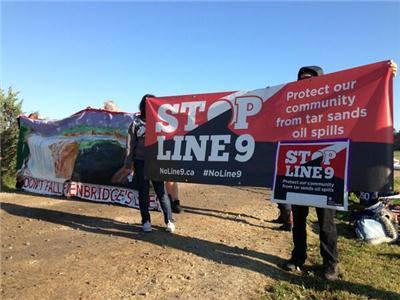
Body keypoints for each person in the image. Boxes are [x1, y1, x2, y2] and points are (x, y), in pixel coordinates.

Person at [284, 61, 397, 281]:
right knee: (298, 220)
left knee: (326, 223)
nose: (305, 85)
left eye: (311, 80)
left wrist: (386, 74)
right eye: (301, 81)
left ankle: (330, 264)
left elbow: (364, 93)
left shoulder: (337, 104)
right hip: (298, 173)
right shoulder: (292, 107)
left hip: (327, 174)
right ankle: (297, 257)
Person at [121, 94, 175, 233]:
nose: (148, 106)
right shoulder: (136, 123)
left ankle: (169, 220)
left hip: (157, 161)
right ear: (143, 106)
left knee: (161, 192)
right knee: (143, 192)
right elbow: (130, 144)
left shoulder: (162, 122)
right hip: (140, 162)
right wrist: (128, 163)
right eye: (146, 103)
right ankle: (146, 221)